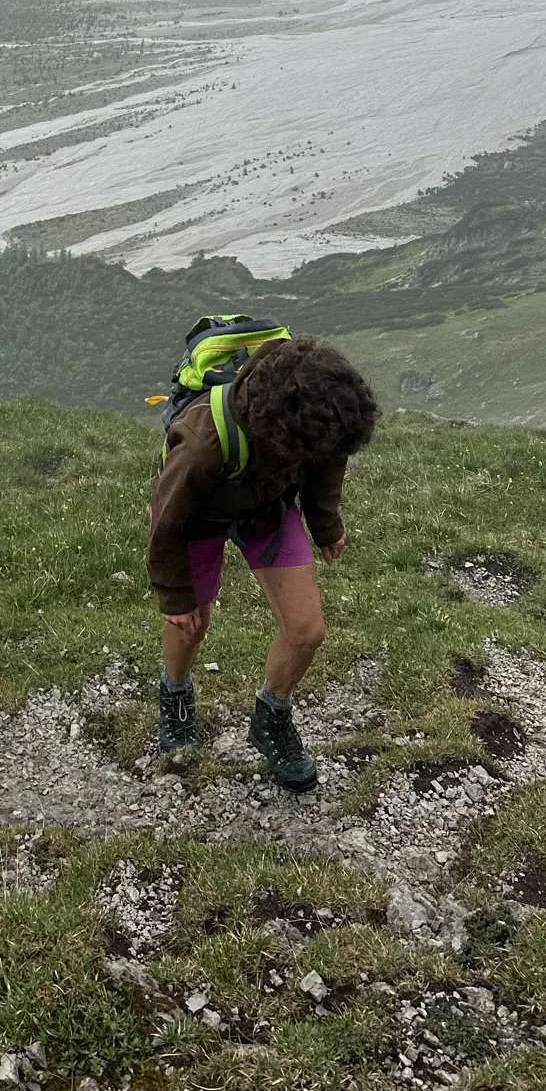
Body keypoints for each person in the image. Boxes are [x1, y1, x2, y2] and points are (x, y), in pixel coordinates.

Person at [149, 335, 378, 790]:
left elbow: (330, 457)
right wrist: (175, 595)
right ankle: (175, 696)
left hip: (265, 510)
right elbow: (167, 518)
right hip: (198, 518)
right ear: (279, 433)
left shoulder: (320, 410)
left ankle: (270, 717)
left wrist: (325, 523)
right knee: (190, 625)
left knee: (306, 630)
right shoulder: (202, 445)